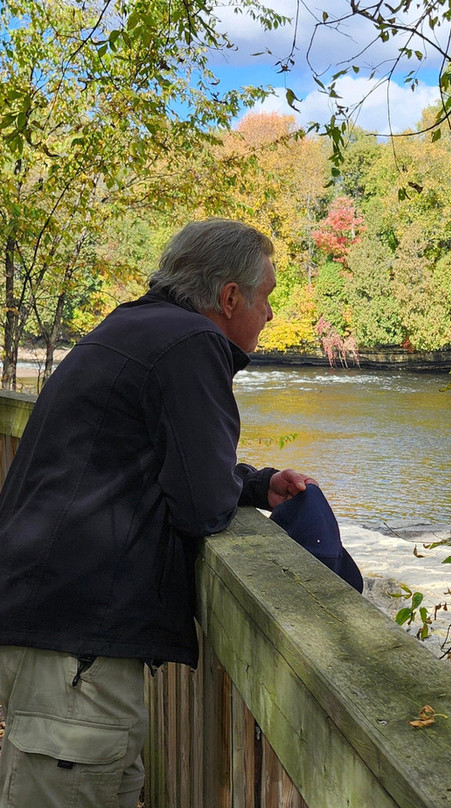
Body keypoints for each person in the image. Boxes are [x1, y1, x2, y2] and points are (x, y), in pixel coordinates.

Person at [0, 219, 313, 808]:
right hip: (76, 651)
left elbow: (148, 458)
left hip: (58, 631)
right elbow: (202, 505)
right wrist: (235, 490)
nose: (270, 314)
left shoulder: (131, 326)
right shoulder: (192, 345)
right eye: (266, 296)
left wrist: (257, 484)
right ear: (228, 297)